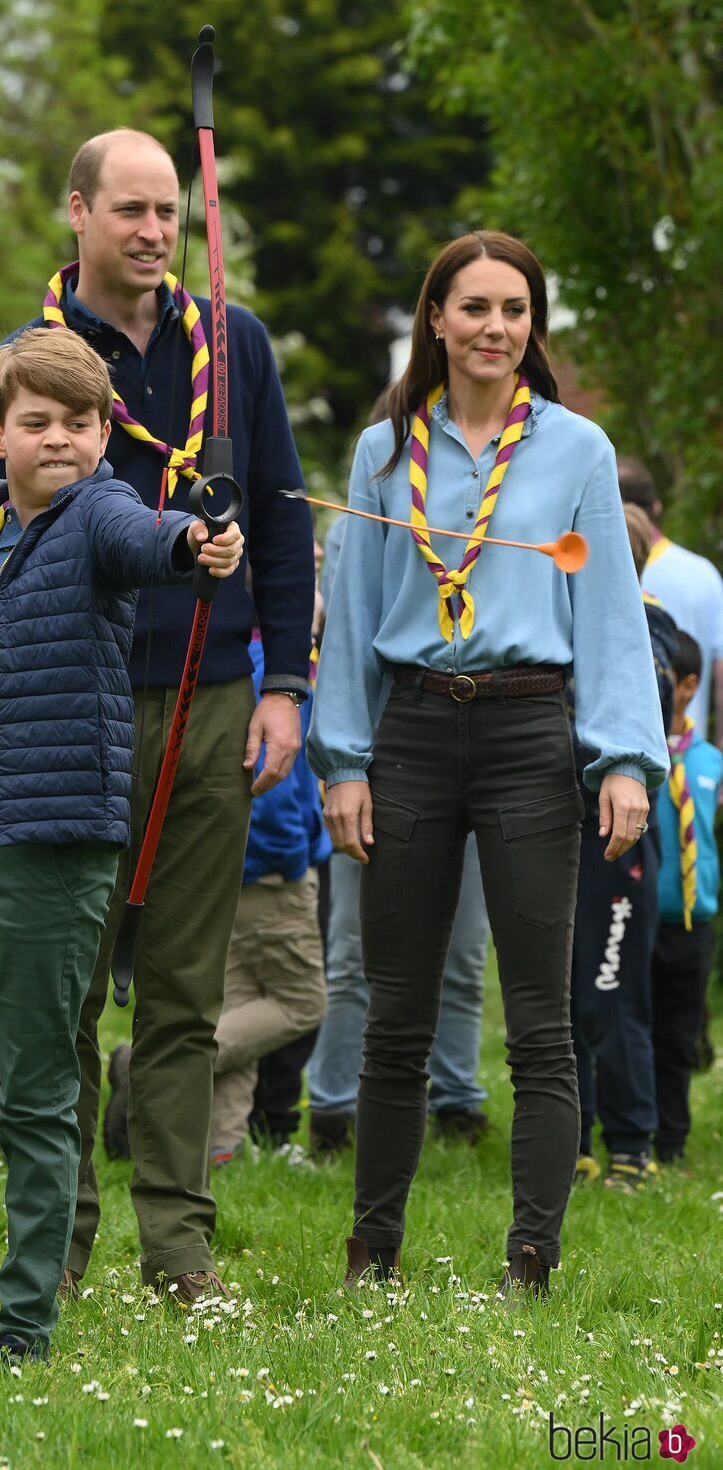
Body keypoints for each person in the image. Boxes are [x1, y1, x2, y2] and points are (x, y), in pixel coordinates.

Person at [0, 128, 314, 1302]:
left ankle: (177, 1251)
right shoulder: (22, 362)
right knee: (59, 989)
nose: (156, 232)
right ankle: (52, 1246)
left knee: (183, 986)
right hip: (72, 702)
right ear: (76, 212)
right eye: (130, 210)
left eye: (169, 210)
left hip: (213, 697)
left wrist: (283, 686)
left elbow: (279, 518)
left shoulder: (235, 341)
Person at [0, 328, 244, 1364]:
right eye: (36, 423)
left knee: (31, 1092)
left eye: (80, 422)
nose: (60, 440)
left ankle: (24, 1322)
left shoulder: (98, 512)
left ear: (106, 431)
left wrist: (199, 543)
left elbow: (153, 541)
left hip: (54, 843)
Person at [308, 230, 668, 1300]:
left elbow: (605, 612)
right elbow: (355, 618)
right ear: (434, 319)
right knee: (394, 1010)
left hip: (526, 734)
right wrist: (343, 762)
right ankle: (371, 1253)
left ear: (532, 327)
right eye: (472, 308)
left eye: (513, 310)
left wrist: (621, 762)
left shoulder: (576, 451)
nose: (493, 328)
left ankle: (530, 1260)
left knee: (538, 1019)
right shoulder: (381, 452)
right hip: (411, 733)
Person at [308, 514, 493, 1154]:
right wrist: (345, 764)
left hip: (487, 754)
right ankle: (332, 1108)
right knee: (356, 950)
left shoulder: (503, 507)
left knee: (466, 952)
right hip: (384, 756)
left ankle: (456, 1098)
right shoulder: (370, 509)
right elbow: (347, 645)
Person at [570, 502, 677, 1191]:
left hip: (617, 841)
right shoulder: (571, 625)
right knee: (562, 994)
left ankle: (632, 1145)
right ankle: (573, 1140)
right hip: (557, 830)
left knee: (613, 992)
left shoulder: (649, 638)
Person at [209, 628, 331, 1167]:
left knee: (239, 1003)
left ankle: (220, 1147)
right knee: (302, 1001)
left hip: (226, 869)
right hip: (270, 871)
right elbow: (274, 782)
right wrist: (288, 859)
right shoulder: (273, 673)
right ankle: (150, 1064)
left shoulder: (232, 655)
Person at [651, 631, 722, 1164]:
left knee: (678, 1036)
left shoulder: (711, 763)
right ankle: (624, 1129)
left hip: (694, 922)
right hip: (637, 917)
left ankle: (671, 1141)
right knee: (626, 1026)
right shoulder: (639, 759)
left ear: (689, 685)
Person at [618, 457, 723, 744]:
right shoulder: (703, 573)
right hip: (686, 753)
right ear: (656, 507)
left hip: (613, 759)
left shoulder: (600, 575)